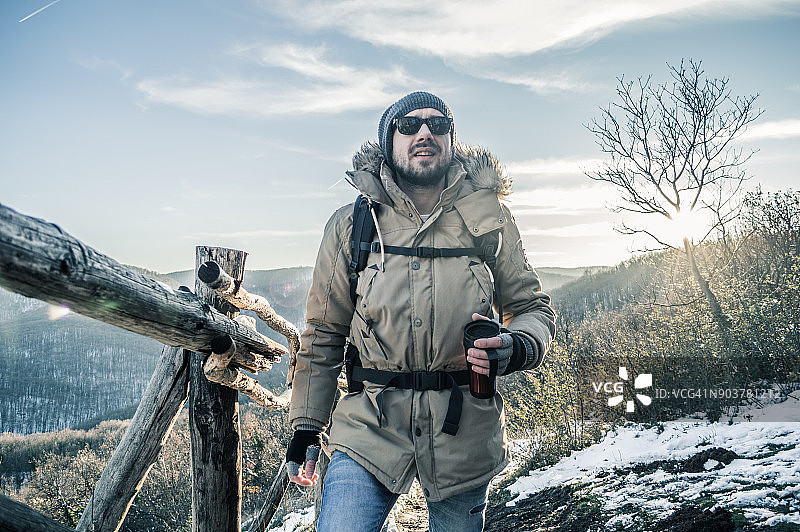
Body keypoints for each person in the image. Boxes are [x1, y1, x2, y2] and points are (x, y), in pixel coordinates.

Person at [285, 91, 555, 531]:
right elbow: (323, 334)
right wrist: (306, 428)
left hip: (463, 430)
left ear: (451, 137)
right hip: (369, 425)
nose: (424, 132)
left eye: (437, 123)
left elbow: (530, 306)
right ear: (389, 141)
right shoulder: (352, 224)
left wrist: (518, 345)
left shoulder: (490, 218)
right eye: (408, 125)